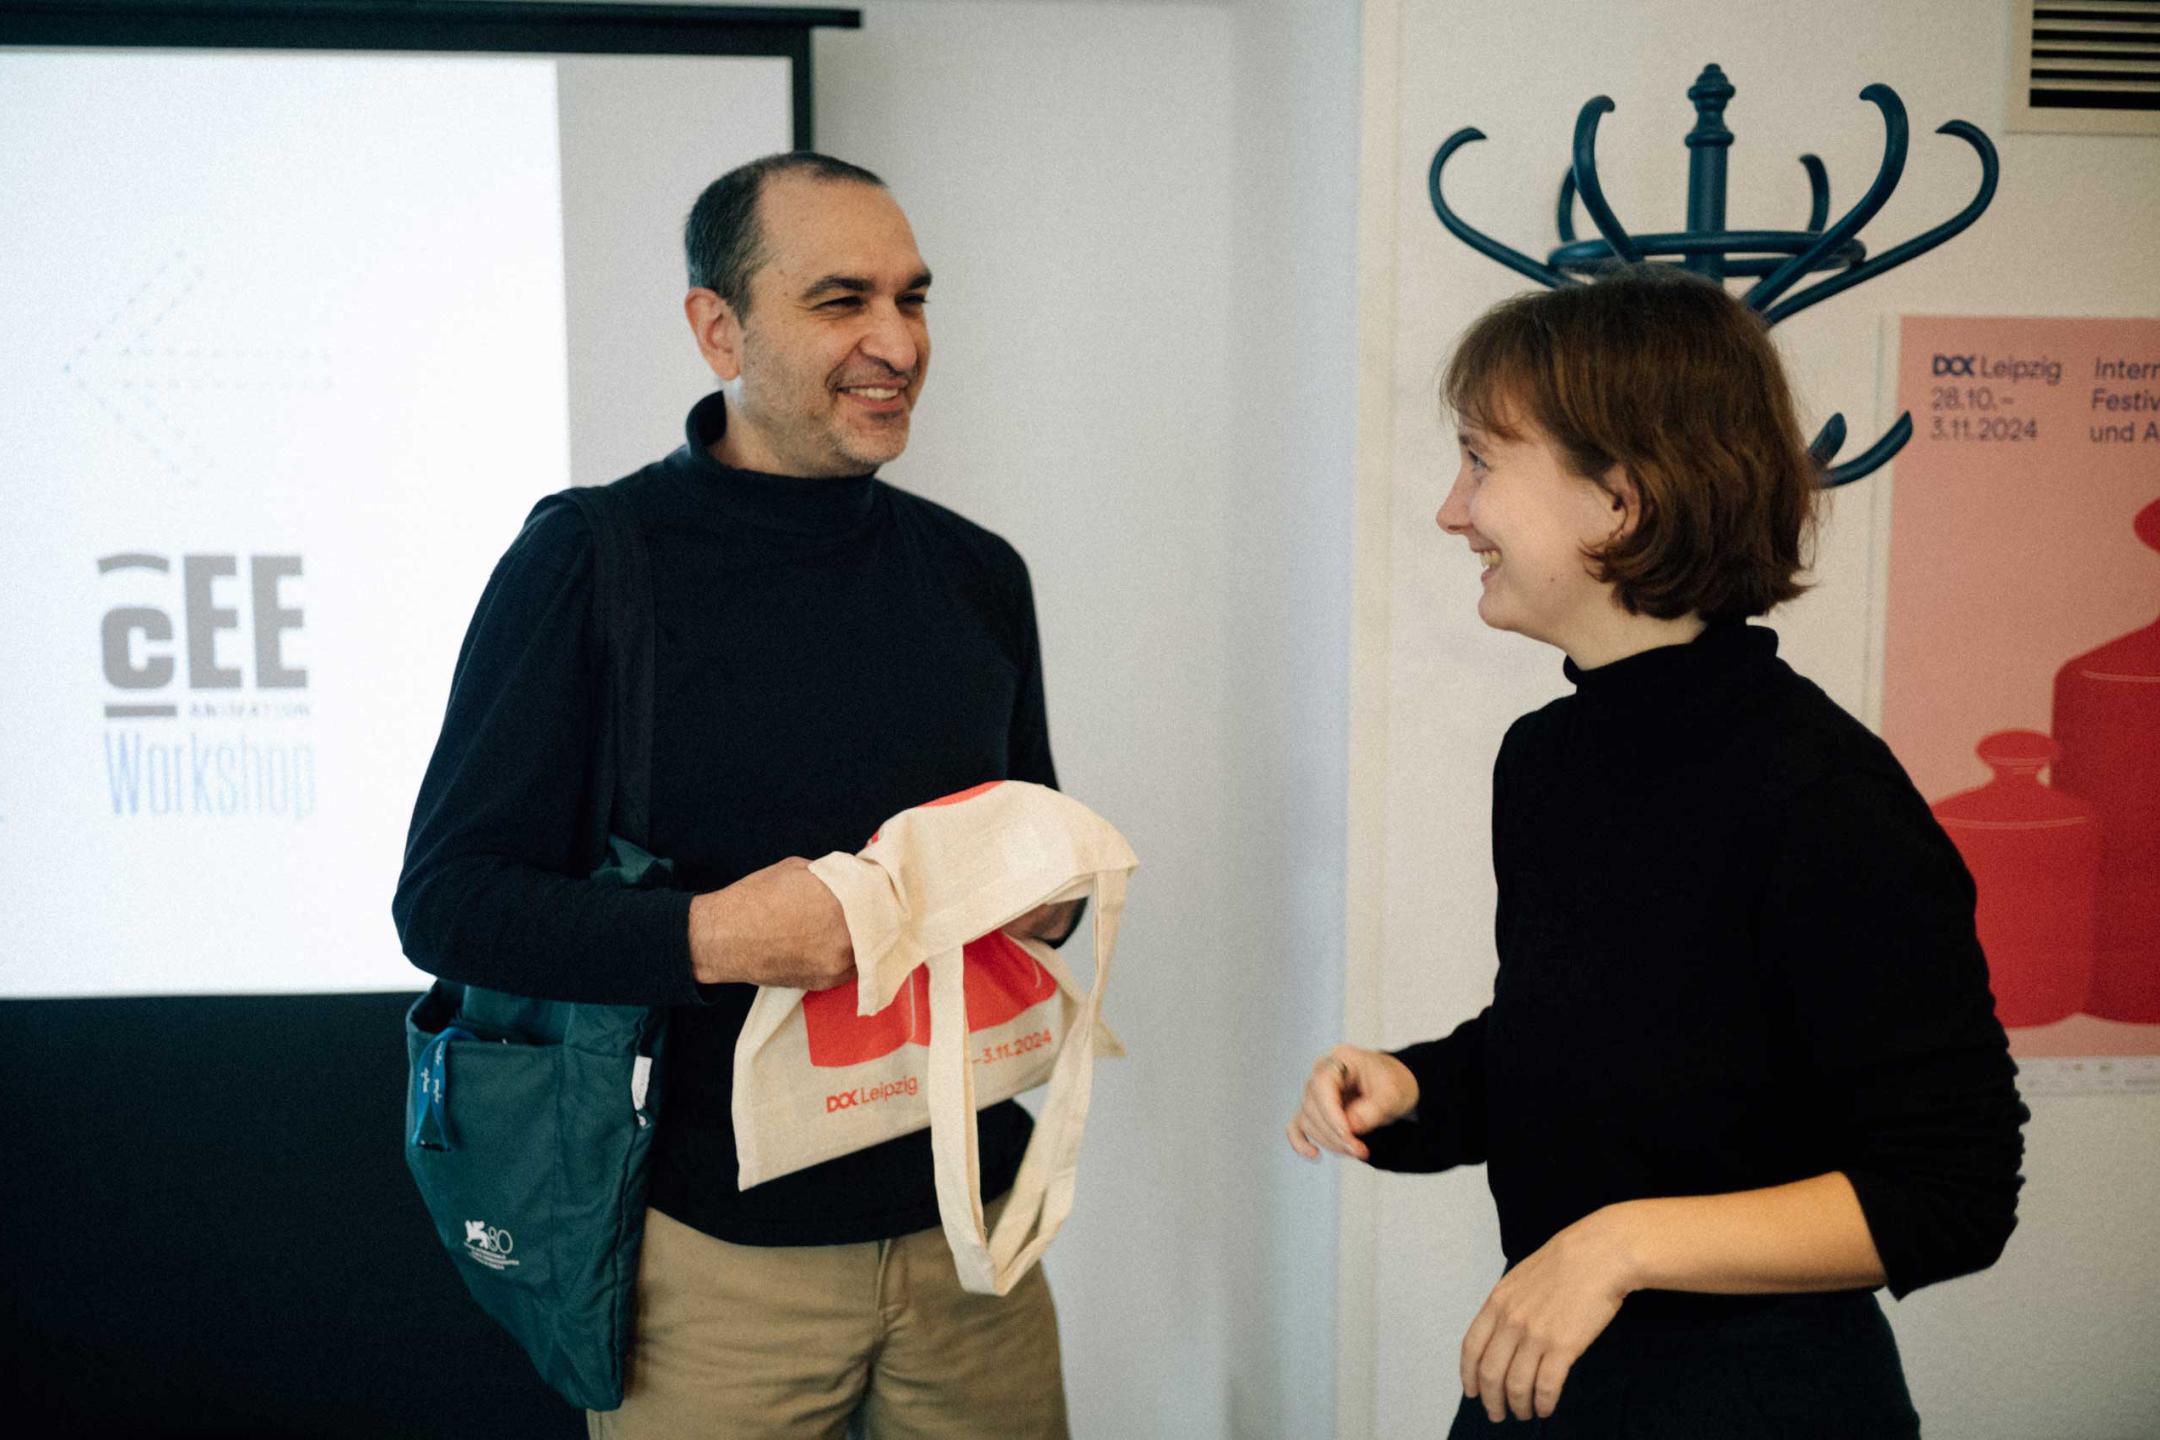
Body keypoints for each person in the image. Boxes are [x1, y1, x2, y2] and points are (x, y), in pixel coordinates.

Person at [395, 152, 1078, 1440]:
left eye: (913, 298)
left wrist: (1049, 897)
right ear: (720, 329)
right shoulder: (587, 561)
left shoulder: (978, 574)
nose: (898, 343)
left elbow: (1032, 851)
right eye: (841, 300)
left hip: (975, 1236)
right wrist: (711, 935)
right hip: (710, 1266)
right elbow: (447, 904)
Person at [1286, 266, 2028, 1437]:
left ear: (1620, 501)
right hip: (1553, 1387)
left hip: (1758, 1405)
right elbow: (1598, 1051)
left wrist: (1620, 1246)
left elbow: (1953, 1192)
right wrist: (1420, 1087)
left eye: (1481, 462)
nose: (1451, 511)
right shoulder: (1546, 759)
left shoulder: (1823, 792)